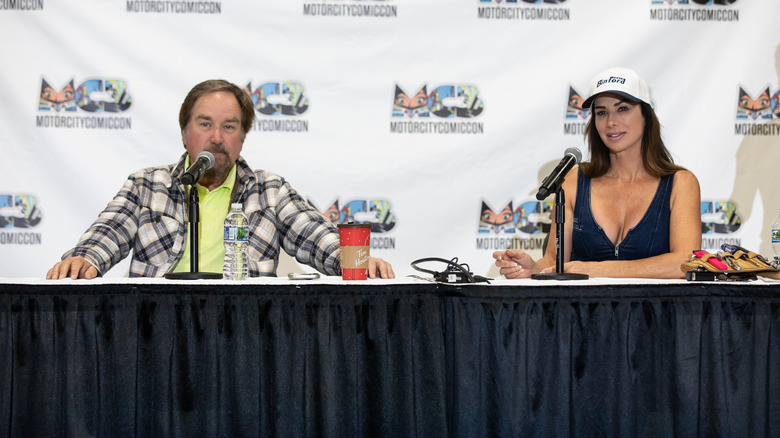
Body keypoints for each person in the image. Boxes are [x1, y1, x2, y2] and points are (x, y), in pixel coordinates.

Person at [47, 79, 395, 280]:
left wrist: (355, 260)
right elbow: (107, 233)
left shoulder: (269, 190)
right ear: (184, 134)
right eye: (204, 124)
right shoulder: (146, 185)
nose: (216, 137)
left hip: (247, 331)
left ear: (242, 137)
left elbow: (319, 238)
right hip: (156, 329)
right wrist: (84, 259)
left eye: (229, 126)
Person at [494, 67, 701, 279]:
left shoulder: (680, 183)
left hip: (656, 311)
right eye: (602, 112)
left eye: (622, 109)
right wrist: (534, 269)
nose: (611, 122)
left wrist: (599, 269)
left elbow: (685, 262)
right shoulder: (574, 181)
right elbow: (555, 261)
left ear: (646, 115)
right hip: (583, 310)